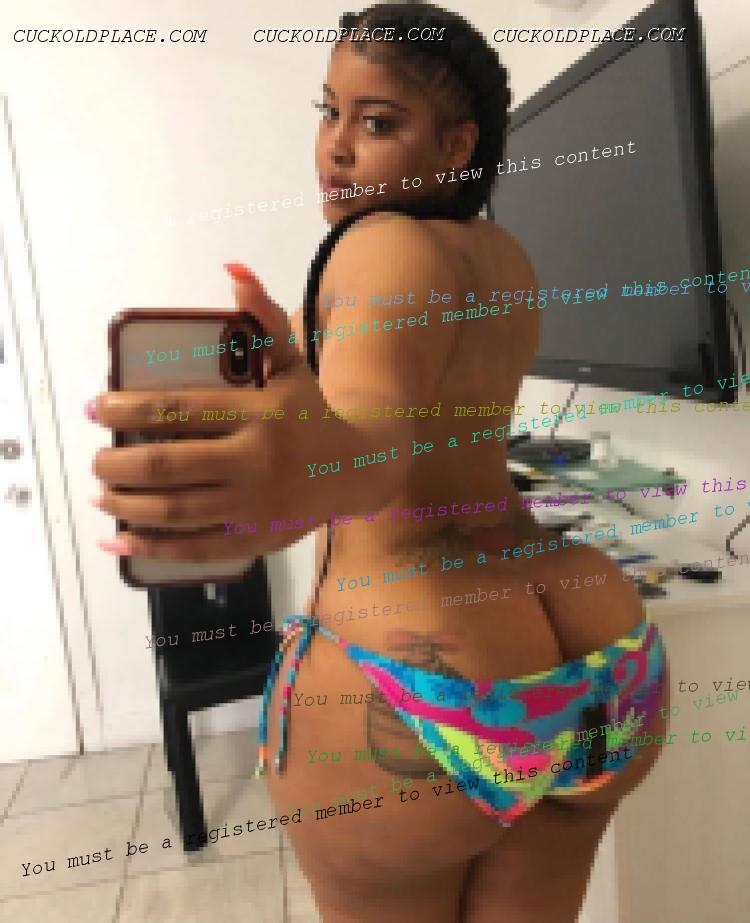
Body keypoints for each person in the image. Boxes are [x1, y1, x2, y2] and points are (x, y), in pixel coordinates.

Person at [90, 4, 669, 921]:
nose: (337, 145)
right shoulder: (502, 254)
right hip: (600, 642)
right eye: (329, 111)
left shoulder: (376, 244)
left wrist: (305, 474)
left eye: (378, 121)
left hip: (424, 668)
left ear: (457, 144)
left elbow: (375, 439)